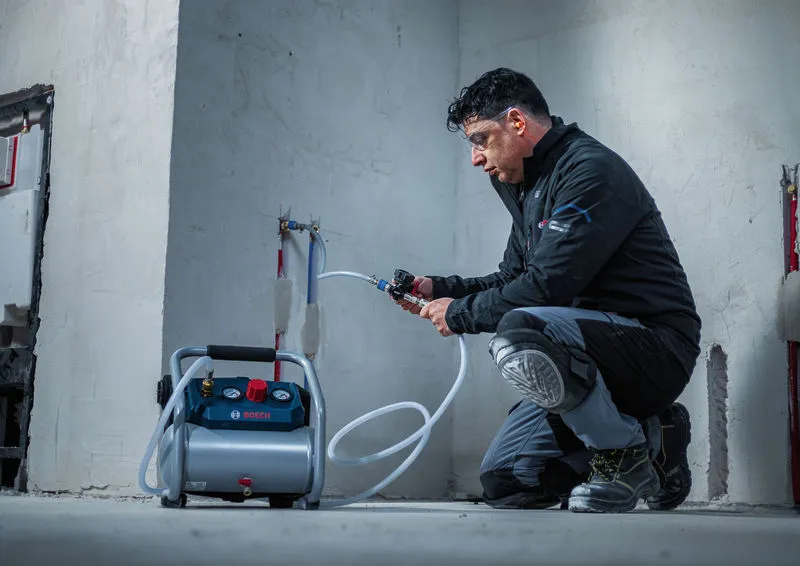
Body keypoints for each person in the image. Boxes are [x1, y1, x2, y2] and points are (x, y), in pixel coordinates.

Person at [395, 68, 700, 513]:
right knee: (508, 481)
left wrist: (459, 314)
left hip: (652, 349)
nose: (477, 159)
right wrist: (440, 289)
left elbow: (545, 289)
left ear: (517, 122)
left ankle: (623, 455)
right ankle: (657, 438)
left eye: (481, 140)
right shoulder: (526, 183)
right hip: (582, 354)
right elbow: (514, 277)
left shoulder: (589, 170)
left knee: (520, 334)